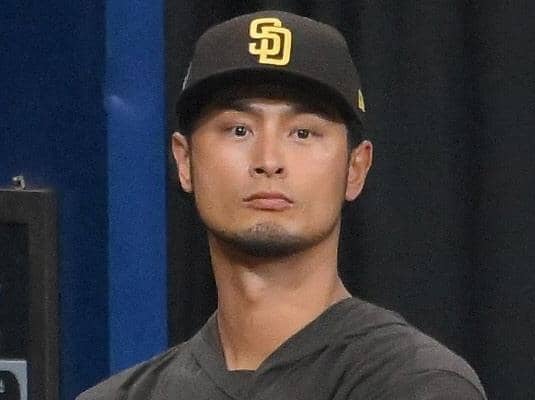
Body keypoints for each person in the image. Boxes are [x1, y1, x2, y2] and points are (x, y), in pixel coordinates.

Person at [77, 10, 486, 400]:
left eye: (303, 133)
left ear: (355, 168)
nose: (269, 160)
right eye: (239, 130)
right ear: (185, 162)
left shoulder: (415, 383)